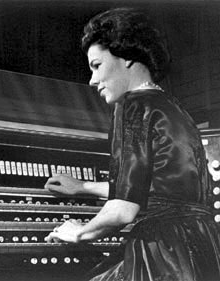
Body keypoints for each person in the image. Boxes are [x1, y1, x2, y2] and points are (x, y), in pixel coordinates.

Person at [44, 7, 220, 281]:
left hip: (161, 253)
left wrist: (78, 231)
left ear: (126, 57)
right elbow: (163, 189)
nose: (92, 80)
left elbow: (123, 211)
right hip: (202, 249)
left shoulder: (132, 105)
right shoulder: (174, 109)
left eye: (97, 66)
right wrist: (83, 187)